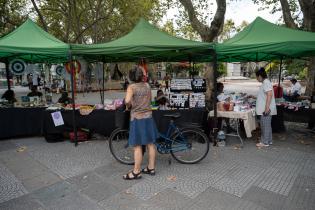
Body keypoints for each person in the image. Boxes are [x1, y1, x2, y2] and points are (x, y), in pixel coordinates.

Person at [123, 66, 159, 180]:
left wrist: (129, 105)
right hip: (148, 117)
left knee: (137, 145)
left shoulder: (131, 87)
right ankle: (151, 167)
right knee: (150, 144)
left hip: (137, 119)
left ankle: (136, 171)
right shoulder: (147, 85)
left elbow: (127, 101)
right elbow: (150, 99)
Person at [255, 68, 277, 147]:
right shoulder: (265, 83)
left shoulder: (266, 82)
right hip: (265, 109)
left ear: (260, 76)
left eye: (257, 77)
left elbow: (269, 95)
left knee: (265, 125)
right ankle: (269, 140)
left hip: (266, 109)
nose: (256, 79)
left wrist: (267, 108)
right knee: (267, 125)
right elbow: (264, 95)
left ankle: (264, 142)